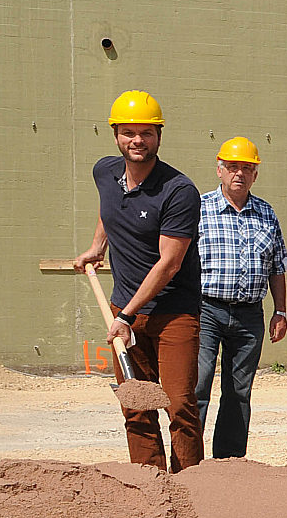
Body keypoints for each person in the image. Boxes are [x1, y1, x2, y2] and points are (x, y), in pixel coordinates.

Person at [74, 90, 204, 471]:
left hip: (173, 313)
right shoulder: (105, 171)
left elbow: (169, 264)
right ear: (115, 134)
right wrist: (98, 246)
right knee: (134, 403)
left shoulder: (179, 191)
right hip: (125, 306)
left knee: (179, 404)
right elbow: (108, 206)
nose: (137, 140)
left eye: (146, 133)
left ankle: (191, 488)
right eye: (128, 132)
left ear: (159, 136)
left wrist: (126, 317)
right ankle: (149, 484)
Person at [194, 137, 287, 459]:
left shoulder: (266, 213)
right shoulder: (199, 209)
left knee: (238, 391)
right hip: (206, 310)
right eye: (233, 167)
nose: (240, 174)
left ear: (255, 175)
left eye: (247, 168)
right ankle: (189, 459)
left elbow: (277, 265)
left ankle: (229, 462)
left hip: (250, 315)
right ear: (219, 170)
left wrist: (281, 311)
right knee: (198, 386)